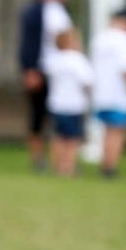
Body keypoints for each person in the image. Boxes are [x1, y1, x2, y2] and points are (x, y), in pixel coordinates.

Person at [18, 0, 73, 171]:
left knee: (61, 115)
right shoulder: (33, 11)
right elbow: (28, 44)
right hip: (41, 69)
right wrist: (29, 69)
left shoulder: (62, 10)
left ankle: (61, 159)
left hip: (61, 72)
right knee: (38, 115)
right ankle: (37, 158)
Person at [91, 8, 126, 179]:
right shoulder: (125, 40)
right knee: (116, 132)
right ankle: (110, 167)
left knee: (106, 130)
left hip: (101, 93)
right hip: (118, 93)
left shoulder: (101, 38)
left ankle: (105, 163)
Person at [44, 26, 93, 177]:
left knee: (58, 137)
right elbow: (87, 82)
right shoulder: (78, 60)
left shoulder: (54, 60)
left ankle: (57, 166)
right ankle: (68, 168)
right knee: (72, 139)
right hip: (74, 106)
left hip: (56, 105)